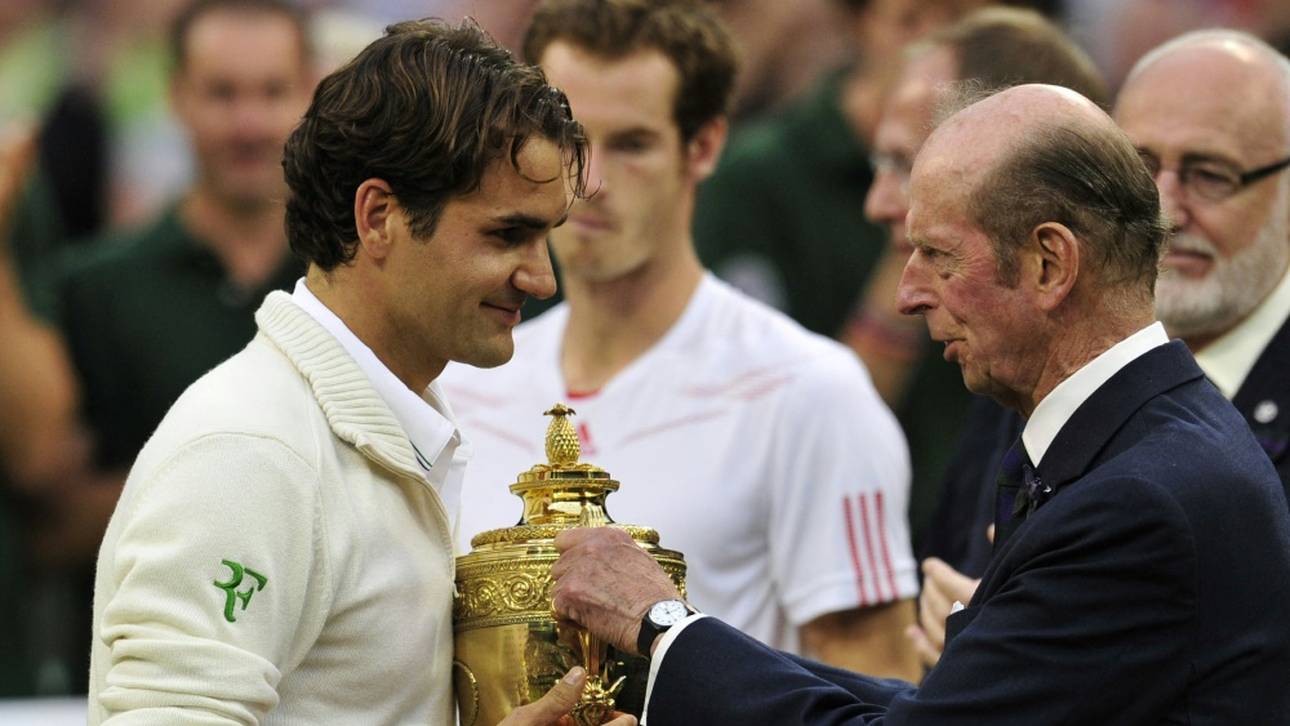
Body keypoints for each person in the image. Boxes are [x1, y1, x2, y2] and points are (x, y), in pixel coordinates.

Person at [549, 83, 1290, 723]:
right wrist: (665, 667)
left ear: (1049, 263)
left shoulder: (1138, 504)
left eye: (937, 255)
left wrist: (664, 626)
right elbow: (945, 706)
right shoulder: (1146, 445)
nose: (907, 295)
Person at [88, 18, 622, 725]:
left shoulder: (369, 430)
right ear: (377, 217)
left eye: (545, 236)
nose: (542, 278)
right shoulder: (251, 453)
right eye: (506, 233)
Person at [441, 0, 919, 680]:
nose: (591, 181)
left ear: (704, 147)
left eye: (632, 144)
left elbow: (881, 687)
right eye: (569, 140)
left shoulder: (811, 392)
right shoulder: (457, 384)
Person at [916, 27, 1290, 668]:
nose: (1167, 210)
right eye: (1139, 169)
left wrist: (1038, 632)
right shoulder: (1029, 358)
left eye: (1211, 176)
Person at [58, 0, 312, 476]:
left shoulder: (356, 279)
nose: (249, 124)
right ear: (176, 96)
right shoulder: (94, 291)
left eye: (273, 92)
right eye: (222, 93)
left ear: (310, 95)